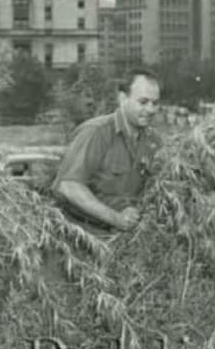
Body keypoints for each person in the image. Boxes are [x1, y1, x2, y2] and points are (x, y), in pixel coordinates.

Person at [52, 70, 162, 235]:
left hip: (123, 241)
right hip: (83, 237)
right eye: (143, 102)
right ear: (123, 99)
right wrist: (116, 218)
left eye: (155, 103)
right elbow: (69, 186)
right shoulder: (96, 132)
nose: (151, 109)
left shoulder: (153, 141)